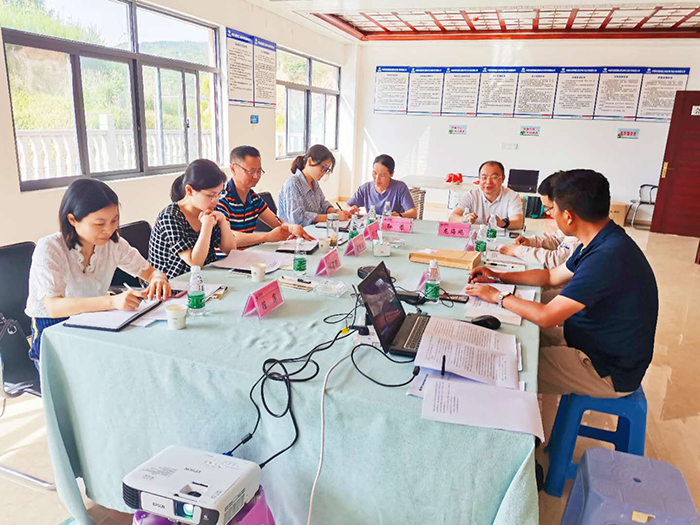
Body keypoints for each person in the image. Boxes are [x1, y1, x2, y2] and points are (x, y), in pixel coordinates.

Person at [466, 169, 658, 398]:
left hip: (605, 368)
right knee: (515, 334)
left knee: (506, 368)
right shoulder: (600, 239)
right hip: (588, 338)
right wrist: (498, 276)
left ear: (567, 216)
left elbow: (547, 316)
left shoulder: (606, 257)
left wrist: (497, 296)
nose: (551, 217)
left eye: (552, 210)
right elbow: (550, 277)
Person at [25, 179, 171, 365]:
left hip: (96, 317)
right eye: (99, 223)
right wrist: (112, 301)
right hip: (53, 326)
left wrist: (158, 279)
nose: (109, 230)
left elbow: (149, 272)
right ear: (72, 220)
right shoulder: (50, 248)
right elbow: (54, 307)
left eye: (114, 221)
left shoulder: (113, 244)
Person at [150, 159, 237, 279]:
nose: (216, 201)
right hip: (172, 283)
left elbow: (231, 251)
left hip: (205, 279)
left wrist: (222, 221)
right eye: (211, 195)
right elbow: (195, 263)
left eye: (219, 194)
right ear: (190, 190)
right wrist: (206, 226)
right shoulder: (170, 217)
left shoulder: (209, 210)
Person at [216, 145, 313, 247]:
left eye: (259, 171)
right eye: (251, 171)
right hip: (228, 256)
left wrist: (291, 227)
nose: (256, 176)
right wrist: (267, 237)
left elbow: (277, 222)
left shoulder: (253, 198)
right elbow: (227, 238)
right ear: (233, 169)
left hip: (248, 253)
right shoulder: (221, 198)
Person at [499, 172, 581, 269]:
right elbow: (556, 238)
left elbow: (557, 260)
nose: (547, 213)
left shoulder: (580, 230)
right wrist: (531, 241)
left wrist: (518, 250)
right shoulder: (572, 224)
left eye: (548, 208)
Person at [277, 144, 351, 226]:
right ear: (310, 161)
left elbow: (323, 204)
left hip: (312, 229)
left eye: (326, 170)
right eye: (323, 167)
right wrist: (333, 217)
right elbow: (297, 218)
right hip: (294, 233)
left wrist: (336, 212)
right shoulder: (293, 183)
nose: (323, 173)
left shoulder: (314, 183)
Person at [448, 161, 524, 230]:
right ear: (479, 179)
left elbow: (518, 223)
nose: (488, 182)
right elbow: (452, 217)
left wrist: (501, 223)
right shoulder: (471, 195)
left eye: (494, 177)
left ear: (503, 179)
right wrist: (464, 219)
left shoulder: (512, 196)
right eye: (484, 177)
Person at [346, 154, 417, 218]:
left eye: (382, 175)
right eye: (374, 173)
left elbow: (413, 213)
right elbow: (347, 205)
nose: (377, 178)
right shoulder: (366, 188)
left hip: (392, 225)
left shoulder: (400, 187)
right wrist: (350, 209)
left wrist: (399, 215)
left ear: (391, 174)